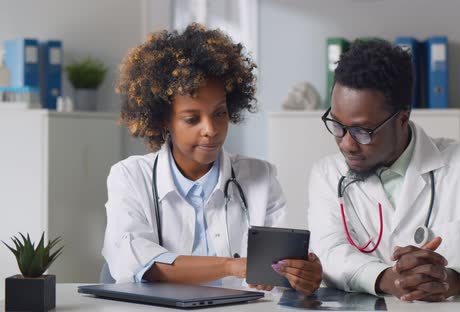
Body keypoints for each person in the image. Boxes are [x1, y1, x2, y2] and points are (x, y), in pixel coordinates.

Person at [308, 39, 460, 301]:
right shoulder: (328, 174)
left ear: (402, 118)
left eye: (363, 131)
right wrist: (389, 278)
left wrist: (454, 280)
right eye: (337, 125)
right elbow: (328, 252)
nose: (347, 144)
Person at [101, 23, 322, 295]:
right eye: (192, 119)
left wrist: (304, 275)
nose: (211, 129)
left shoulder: (260, 177)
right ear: (164, 120)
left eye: (219, 113)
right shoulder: (130, 177)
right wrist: (231, 267)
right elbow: (137, 266)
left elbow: (280, 272)